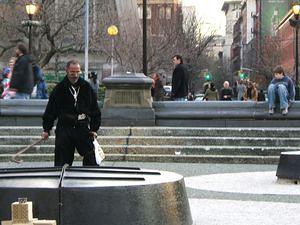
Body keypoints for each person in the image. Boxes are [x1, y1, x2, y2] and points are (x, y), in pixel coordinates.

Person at [41, 59, 101, 166]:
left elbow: (95, 110)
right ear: (67, 71)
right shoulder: (59, 89)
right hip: (65, 128)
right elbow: (51, 110)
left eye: (78, 72)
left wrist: (94, 129)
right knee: (62, 160)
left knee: (91, 156)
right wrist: (47, 128)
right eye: (72, 72)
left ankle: (90, 178)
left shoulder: (86, 87)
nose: (75, 75)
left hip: (82, 127)